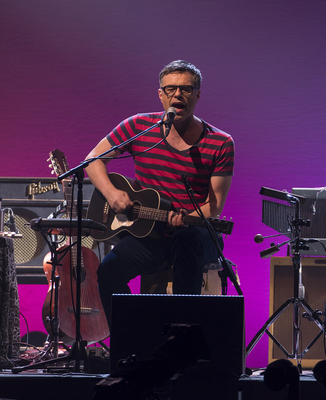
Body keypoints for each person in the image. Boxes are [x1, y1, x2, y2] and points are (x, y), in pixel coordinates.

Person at [84, 60, 234, 327]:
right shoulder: (138, 126)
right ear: (161, 94)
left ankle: (181, 333)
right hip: (150, 234)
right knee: (108, 271)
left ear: (197, 94)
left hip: (197, 232)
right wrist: (112, 193)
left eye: (186, 89)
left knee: (185, 240)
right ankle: (132, 337)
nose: (178, 95)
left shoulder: (220, 142)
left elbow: (215, 206)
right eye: (170, 89)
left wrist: (186, 218)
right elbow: (92, 161)